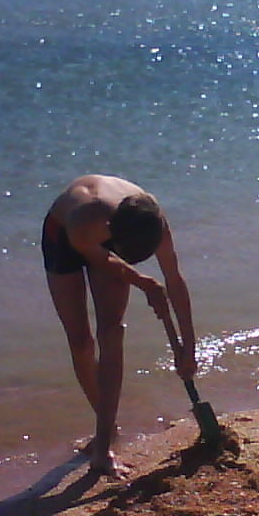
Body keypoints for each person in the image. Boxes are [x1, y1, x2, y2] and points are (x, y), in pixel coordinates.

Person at [40, 175, 197, 478]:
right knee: (81, 340)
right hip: (63, 234)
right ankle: (107, 426)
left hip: (118, 230)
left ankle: (102, 448)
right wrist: (143, 283)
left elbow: (174, 280)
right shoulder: (84, 221)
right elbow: (100, 258)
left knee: (111, 332)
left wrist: (188, 347)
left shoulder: (156, 223)